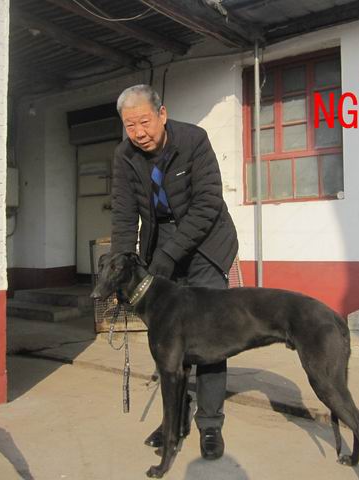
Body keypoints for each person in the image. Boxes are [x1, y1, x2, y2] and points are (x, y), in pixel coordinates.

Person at [110, 84, 239, 460]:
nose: (138, 133)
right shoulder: (124, 156)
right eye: (130, 125)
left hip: (206, 243)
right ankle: (175, 421)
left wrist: (168, 255)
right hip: (162, 242)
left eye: (144, 122)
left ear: (162, 114)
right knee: (169, 340)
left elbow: (207, 204)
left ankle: (210, 424)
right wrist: (121, 269)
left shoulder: (193, 140)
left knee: (210, 337)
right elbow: (123, 216)